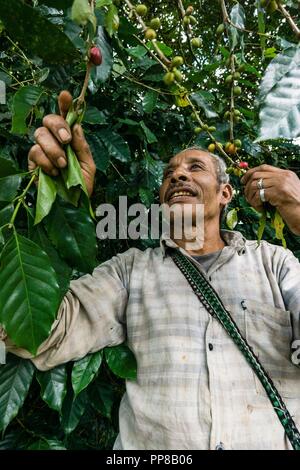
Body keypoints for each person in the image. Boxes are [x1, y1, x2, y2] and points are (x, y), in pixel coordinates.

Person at [2, 91, 300, 450]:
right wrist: (61, 217)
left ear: (225, 193)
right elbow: (40, 332)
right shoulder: (131, 272)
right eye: (169, 174)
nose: (176, 177)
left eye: (194, 168)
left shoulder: (275, 263)